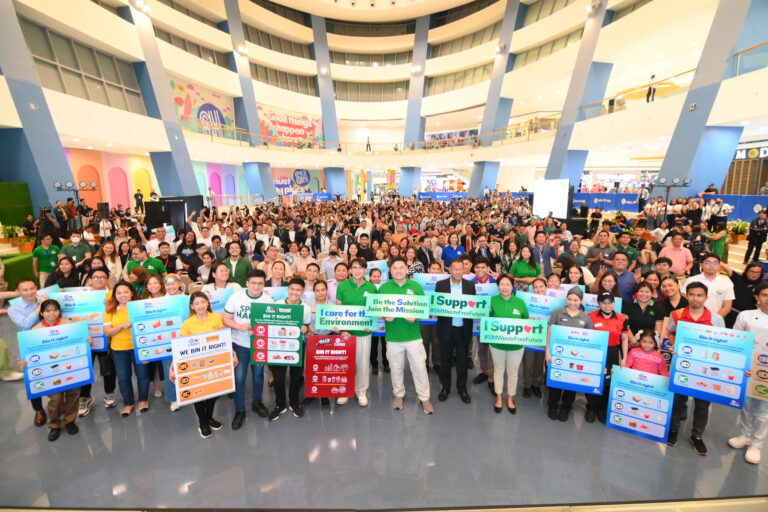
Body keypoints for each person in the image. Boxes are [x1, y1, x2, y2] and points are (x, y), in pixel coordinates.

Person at [666, 281, 726, 455]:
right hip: (683, 366)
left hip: (706, 369)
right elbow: (670, 331)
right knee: (678, 400)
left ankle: (697, 435)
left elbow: (723, 343)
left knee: (702, 404)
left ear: (706, 297)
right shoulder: (676, 314)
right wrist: (674, 345)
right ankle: (673, 429)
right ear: (686, 295)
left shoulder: (716, 319)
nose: (695, 298)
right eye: (692, 294)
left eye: (699, 295)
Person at [171, 292, 232, 438]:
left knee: (212, 391)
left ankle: (209, 417)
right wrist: (173, 366)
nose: (201, 306)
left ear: (208, 303)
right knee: (198, 394)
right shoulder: (187, 324)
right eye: (197, 303)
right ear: (192, 306)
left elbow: (223, 338)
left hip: (213, 362)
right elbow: (181, 347)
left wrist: (232, 353)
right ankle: (202, 422)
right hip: (195, 365)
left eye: (203, 302)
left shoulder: (216, 318)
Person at [379, 257, 433, 414]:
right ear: (390, 270)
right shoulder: (384, 288)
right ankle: (398, 395)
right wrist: (384, 316)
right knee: (396, 368)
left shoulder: (416, 286)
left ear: (406, 269)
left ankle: (424, 398)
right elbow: (379, 308)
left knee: (420, 368)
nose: (398, 270)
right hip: (393, 337)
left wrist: (415, 317)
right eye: (395, 268)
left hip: (413, 336)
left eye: (401, 267)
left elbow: (423, 309)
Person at [222, 269, 272, 429]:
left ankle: (257, 403)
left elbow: (272, 323)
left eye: (260, 283)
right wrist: (239, 326)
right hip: (239, 344)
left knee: (258, 376)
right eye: (254, 283)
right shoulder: (236, 297)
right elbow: (225, 318)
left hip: (259, 345)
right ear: (247, 283)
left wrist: (259, 329)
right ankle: (239, 410)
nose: (257, 287)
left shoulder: (268, 300)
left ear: (264, 284)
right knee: (239, 379)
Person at [28, 299, 83, 441]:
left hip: (70, 367)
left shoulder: (70, 325)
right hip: (51, 371)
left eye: (55, 309)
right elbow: (32, 353)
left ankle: (70, 420)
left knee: (74, 393)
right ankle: (54, 424)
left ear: (59, 311)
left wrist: (86, 340)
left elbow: (79, 343)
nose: (52, 313)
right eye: (47, 310)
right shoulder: (36, 330)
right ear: (41, 313)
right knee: (55, 398)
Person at [729, 283, 768, 464]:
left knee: (763, 411)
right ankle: (745, 435)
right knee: (746, 405)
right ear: (757, 297)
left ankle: (757, 444)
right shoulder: (746, 316)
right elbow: (735, 341)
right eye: (765, 295)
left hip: (765, 372)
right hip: (747, 369)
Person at [545, 286, 593, 422]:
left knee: (571, 383)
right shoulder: (557, 313)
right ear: (566, 299)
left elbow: (590, 341)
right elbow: (549, 333)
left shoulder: (586, 319)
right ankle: (552, 406)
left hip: (575, 359)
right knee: (555, 382)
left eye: (576, 300)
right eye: (570, 299)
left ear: (581, 301)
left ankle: (566, 408)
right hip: (557, 355)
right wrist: (547, 351)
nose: (572, 302)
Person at [335, 258, 377, 407]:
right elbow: (338, 310)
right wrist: (342, 329)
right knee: (346, 363)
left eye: (361, 268)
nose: (357, 270)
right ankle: (345, 390)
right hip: (346, 333)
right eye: (354, 267)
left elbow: (374, 311)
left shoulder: (372, 288)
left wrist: (370, 324)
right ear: (350, 270)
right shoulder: (342, 286)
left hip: (364, 333)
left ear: (365, 270)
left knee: (363, 363)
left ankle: (361, 391)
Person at [104, 281, 150, 417]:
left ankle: (143, 400)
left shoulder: (139, 307)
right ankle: (128, 403)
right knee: (123, 377)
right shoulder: (110, 310)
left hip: (139, 348)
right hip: (118, 349)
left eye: (125, 292)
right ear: (114, 295)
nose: (122, 295)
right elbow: (108, 332)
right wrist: (122, 326)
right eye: (118, 292)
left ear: (131, 293)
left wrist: (148, 350)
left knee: (143, 375)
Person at [269, 277, 311, 420]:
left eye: (298, 290)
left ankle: (294, 403)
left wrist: (306, 329)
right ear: (288, 290)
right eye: (292, 289)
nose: (294, 292)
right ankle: (280, 405)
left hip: (296, 347)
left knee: (296, 378)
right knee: (279, 379)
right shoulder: (277, 305)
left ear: (302, 292)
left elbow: (307, 328)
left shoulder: (306, 308)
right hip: (278, 348)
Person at [8, 278, 49, 426]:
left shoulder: (46, 299)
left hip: (50, 341)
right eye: (25, 290)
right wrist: (41, 306)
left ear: (36, 287)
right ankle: (38, 410)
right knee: (34, 377)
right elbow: (26, 324)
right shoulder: (14, 309)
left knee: (54, 370)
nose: (30, 292)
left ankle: (57, 404)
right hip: (30, 345)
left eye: (32, 288)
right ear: (18, 292)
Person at [77, 268, 118, 415]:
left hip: (105, 337)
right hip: (86, 338)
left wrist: (109, 306)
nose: (99, 280)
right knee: (85, 367)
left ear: (107, 279)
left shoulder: (114, 295)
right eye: (96, 277)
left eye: (102, 277)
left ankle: (109, 393)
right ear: (90, 279)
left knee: (108, 368)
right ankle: (84, 397)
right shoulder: (81, 296)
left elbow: (120, 314)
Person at [436, 258, 476, 404]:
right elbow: (437, 307)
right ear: (450, 270)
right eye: (455, 269)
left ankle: (462, 388)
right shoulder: (441, 285)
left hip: (463, 330)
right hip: (446, 329)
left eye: (461, 269)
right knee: (445, 360)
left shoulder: (470, 286)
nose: (459, 272)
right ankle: (445, 387)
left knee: (462, 361)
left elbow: (474, 308)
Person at [585, 292, 629, 424]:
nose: (607, 305)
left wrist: (624, 358)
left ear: (614, 303)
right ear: (599, 303)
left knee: (608, 383)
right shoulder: (590, 317)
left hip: (612, 353)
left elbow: (625, 339)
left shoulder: (622, 319)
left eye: (610, 302)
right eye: (603, 302)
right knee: (593, 380)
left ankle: (602, 409)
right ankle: (591, 408)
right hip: (595, 353)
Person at [488, 274, 529, 414]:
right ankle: (499, 397)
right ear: (498, 286)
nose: (505, 287)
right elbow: (487, 320)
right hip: (497, 344)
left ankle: (510, 398)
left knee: (513, 372)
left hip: (516, 345)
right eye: (502, 284)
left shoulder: (520, 302)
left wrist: (532, 322)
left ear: (513, 286)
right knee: (498, 370)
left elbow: (526, 320)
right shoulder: (492, 301)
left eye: (508, 284)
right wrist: (484, 326)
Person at [683, 253, 734, 320]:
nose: (712, 265)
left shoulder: (726, 282)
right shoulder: (691, 280)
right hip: (692, 320)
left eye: (715, 263)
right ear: (701, 265)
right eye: (708, 262)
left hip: (714, 321)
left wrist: (714, 320)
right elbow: (684, 299)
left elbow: (727, 307)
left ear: (719, 266)